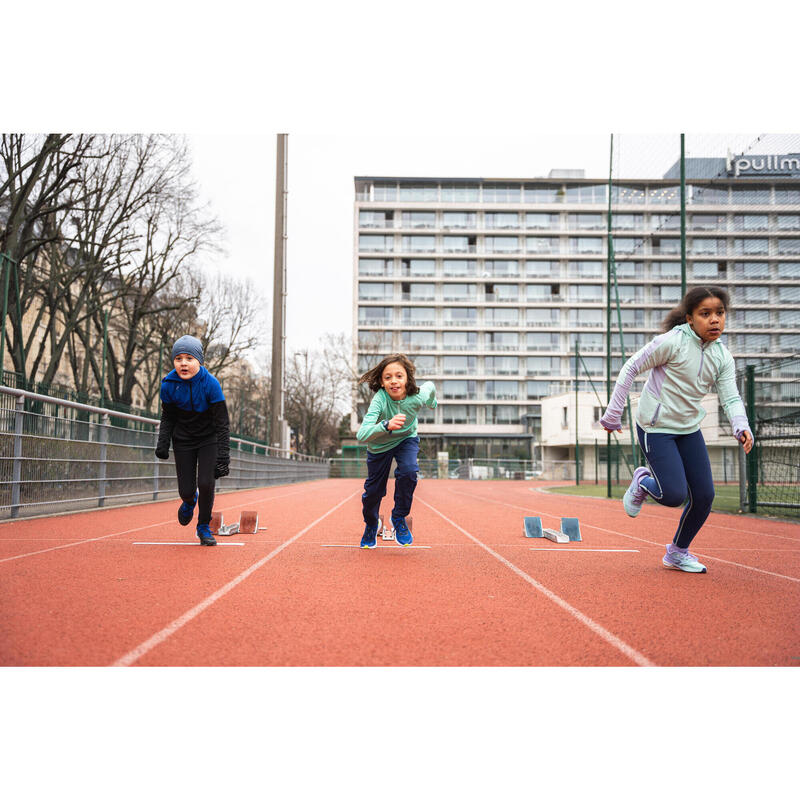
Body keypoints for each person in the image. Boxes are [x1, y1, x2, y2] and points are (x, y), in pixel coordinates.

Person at [600, 286, 753, 573]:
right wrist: (612, 414)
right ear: (690, 318)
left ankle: (677, 552)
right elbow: (630, 368)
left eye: (719, 313)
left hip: (687, 427)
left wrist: (740, 426)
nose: (714, 320)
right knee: (673, 495)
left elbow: (731, 397)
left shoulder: (722, 357)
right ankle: (643, 480)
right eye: (705, 314)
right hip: (655, 426)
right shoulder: (671, 342)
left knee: (705, 496)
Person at [155, 335, 231, 546]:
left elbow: (222, 423)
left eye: (189, 358)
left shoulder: (211, 384)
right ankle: (190, 501)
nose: (184, 363)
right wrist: (163, 443)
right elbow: (168, 416)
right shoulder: (168, 385)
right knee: (186, 491)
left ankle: (203, 527)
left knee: (206, 483)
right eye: (178, 358)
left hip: (209, 438)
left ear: (199, 361)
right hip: (184, 440)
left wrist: (223, 457)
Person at [356, 354, 437, 548]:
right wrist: (385, 425)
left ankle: (398, 516)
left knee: (409, 472)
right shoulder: (380, 399)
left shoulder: (417, 395)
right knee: (374, 491)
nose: (394, 381)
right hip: (379, 446)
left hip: (406, 439)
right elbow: (362, 434)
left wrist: (433, 402)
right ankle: (370, 524)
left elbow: (431, 386)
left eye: (399, 376)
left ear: (407, 378)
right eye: (388, 377)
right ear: (382, 382)